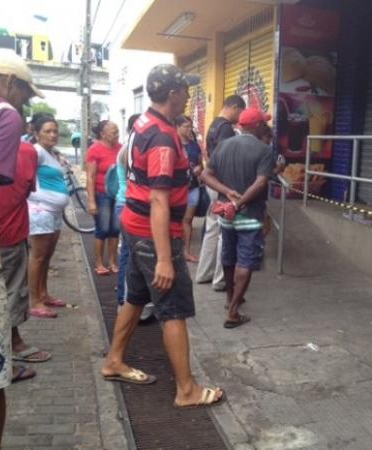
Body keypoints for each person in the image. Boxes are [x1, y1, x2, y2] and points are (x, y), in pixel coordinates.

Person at [101, 64, 224, 408]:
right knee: (173, 310)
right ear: (172, 94)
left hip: (135, 226)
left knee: (136, 297)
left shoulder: (144, 123)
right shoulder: (162, 138)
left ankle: (114, 360)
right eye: (186, 89)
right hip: (155, 236)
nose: (189, 94)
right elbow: (158, 199)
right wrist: (166, 259)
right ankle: (187, 390)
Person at [0, 47, 41, 450]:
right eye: (24, 93)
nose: (23, 102)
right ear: (9, 82)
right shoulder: (2, 114)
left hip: (8, 235)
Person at [202, 108, 275, 329]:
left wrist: (227, 193)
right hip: (249, 215)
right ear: (258, 126)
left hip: (226, 214)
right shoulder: (264, 150)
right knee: (246, 261)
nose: (265, 126)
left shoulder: (223, 146)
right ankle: (233, 312)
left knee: (228, 256)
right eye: (263, 123)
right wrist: (240, 202)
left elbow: (205, 175)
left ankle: (230, 299)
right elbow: (261, 182)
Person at [0, 141, 52, 384]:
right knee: (4, 297)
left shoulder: (25, 151)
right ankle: (0, 362)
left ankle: (11, 345)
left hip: (4, 233)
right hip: (6, 235)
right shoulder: (23, 151)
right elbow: (25, 189)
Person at [196, 95, 246, 291]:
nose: (240, 117)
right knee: (223, 232)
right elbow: (228, 158)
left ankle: (203, 274)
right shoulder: (225, 128)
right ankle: (220, 280)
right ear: (234, 107)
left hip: (212, 182)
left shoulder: (214, 125)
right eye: (241, 112)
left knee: (212, 228)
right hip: (222, 184)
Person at [27, 115, 69, 319]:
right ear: (36, 133)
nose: (53, 134)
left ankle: (43, 294)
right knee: (38, 257)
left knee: (47, 257)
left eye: (55, 131)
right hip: (40, 211)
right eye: (47, 131)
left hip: (54, 213)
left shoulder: (50, 153)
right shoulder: (35, 152)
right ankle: (34, 301)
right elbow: (25, 177)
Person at [87, 120, 122, 275]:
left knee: (115, 230)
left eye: (117, 131)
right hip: (102, 195)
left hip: (118, 195)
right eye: (113, 131)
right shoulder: (94, 150)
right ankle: (99, 263)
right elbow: (90, 177)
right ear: (103, 134)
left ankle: (113, 261)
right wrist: (91, 201)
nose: (117, 134)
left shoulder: (120, 148)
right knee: (102, 229)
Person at [114, 113, 140, 311]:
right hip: (127, 205)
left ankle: (125, 299)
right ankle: (124, 300)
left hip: (124, 204)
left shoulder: (127, 148)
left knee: (127, 253)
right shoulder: (129, 150)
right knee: (128, 255)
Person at [175, 115, 202, 263]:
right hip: (176, 189)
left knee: (187, 220)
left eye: (190, 126)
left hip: (192, 187)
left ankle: (186, 251)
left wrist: (199, 168)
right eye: (186, 126)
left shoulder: (194, 145)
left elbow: (200, 162)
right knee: (173, 219)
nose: (189, 129)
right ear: (177, 127)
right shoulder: (172, 144)